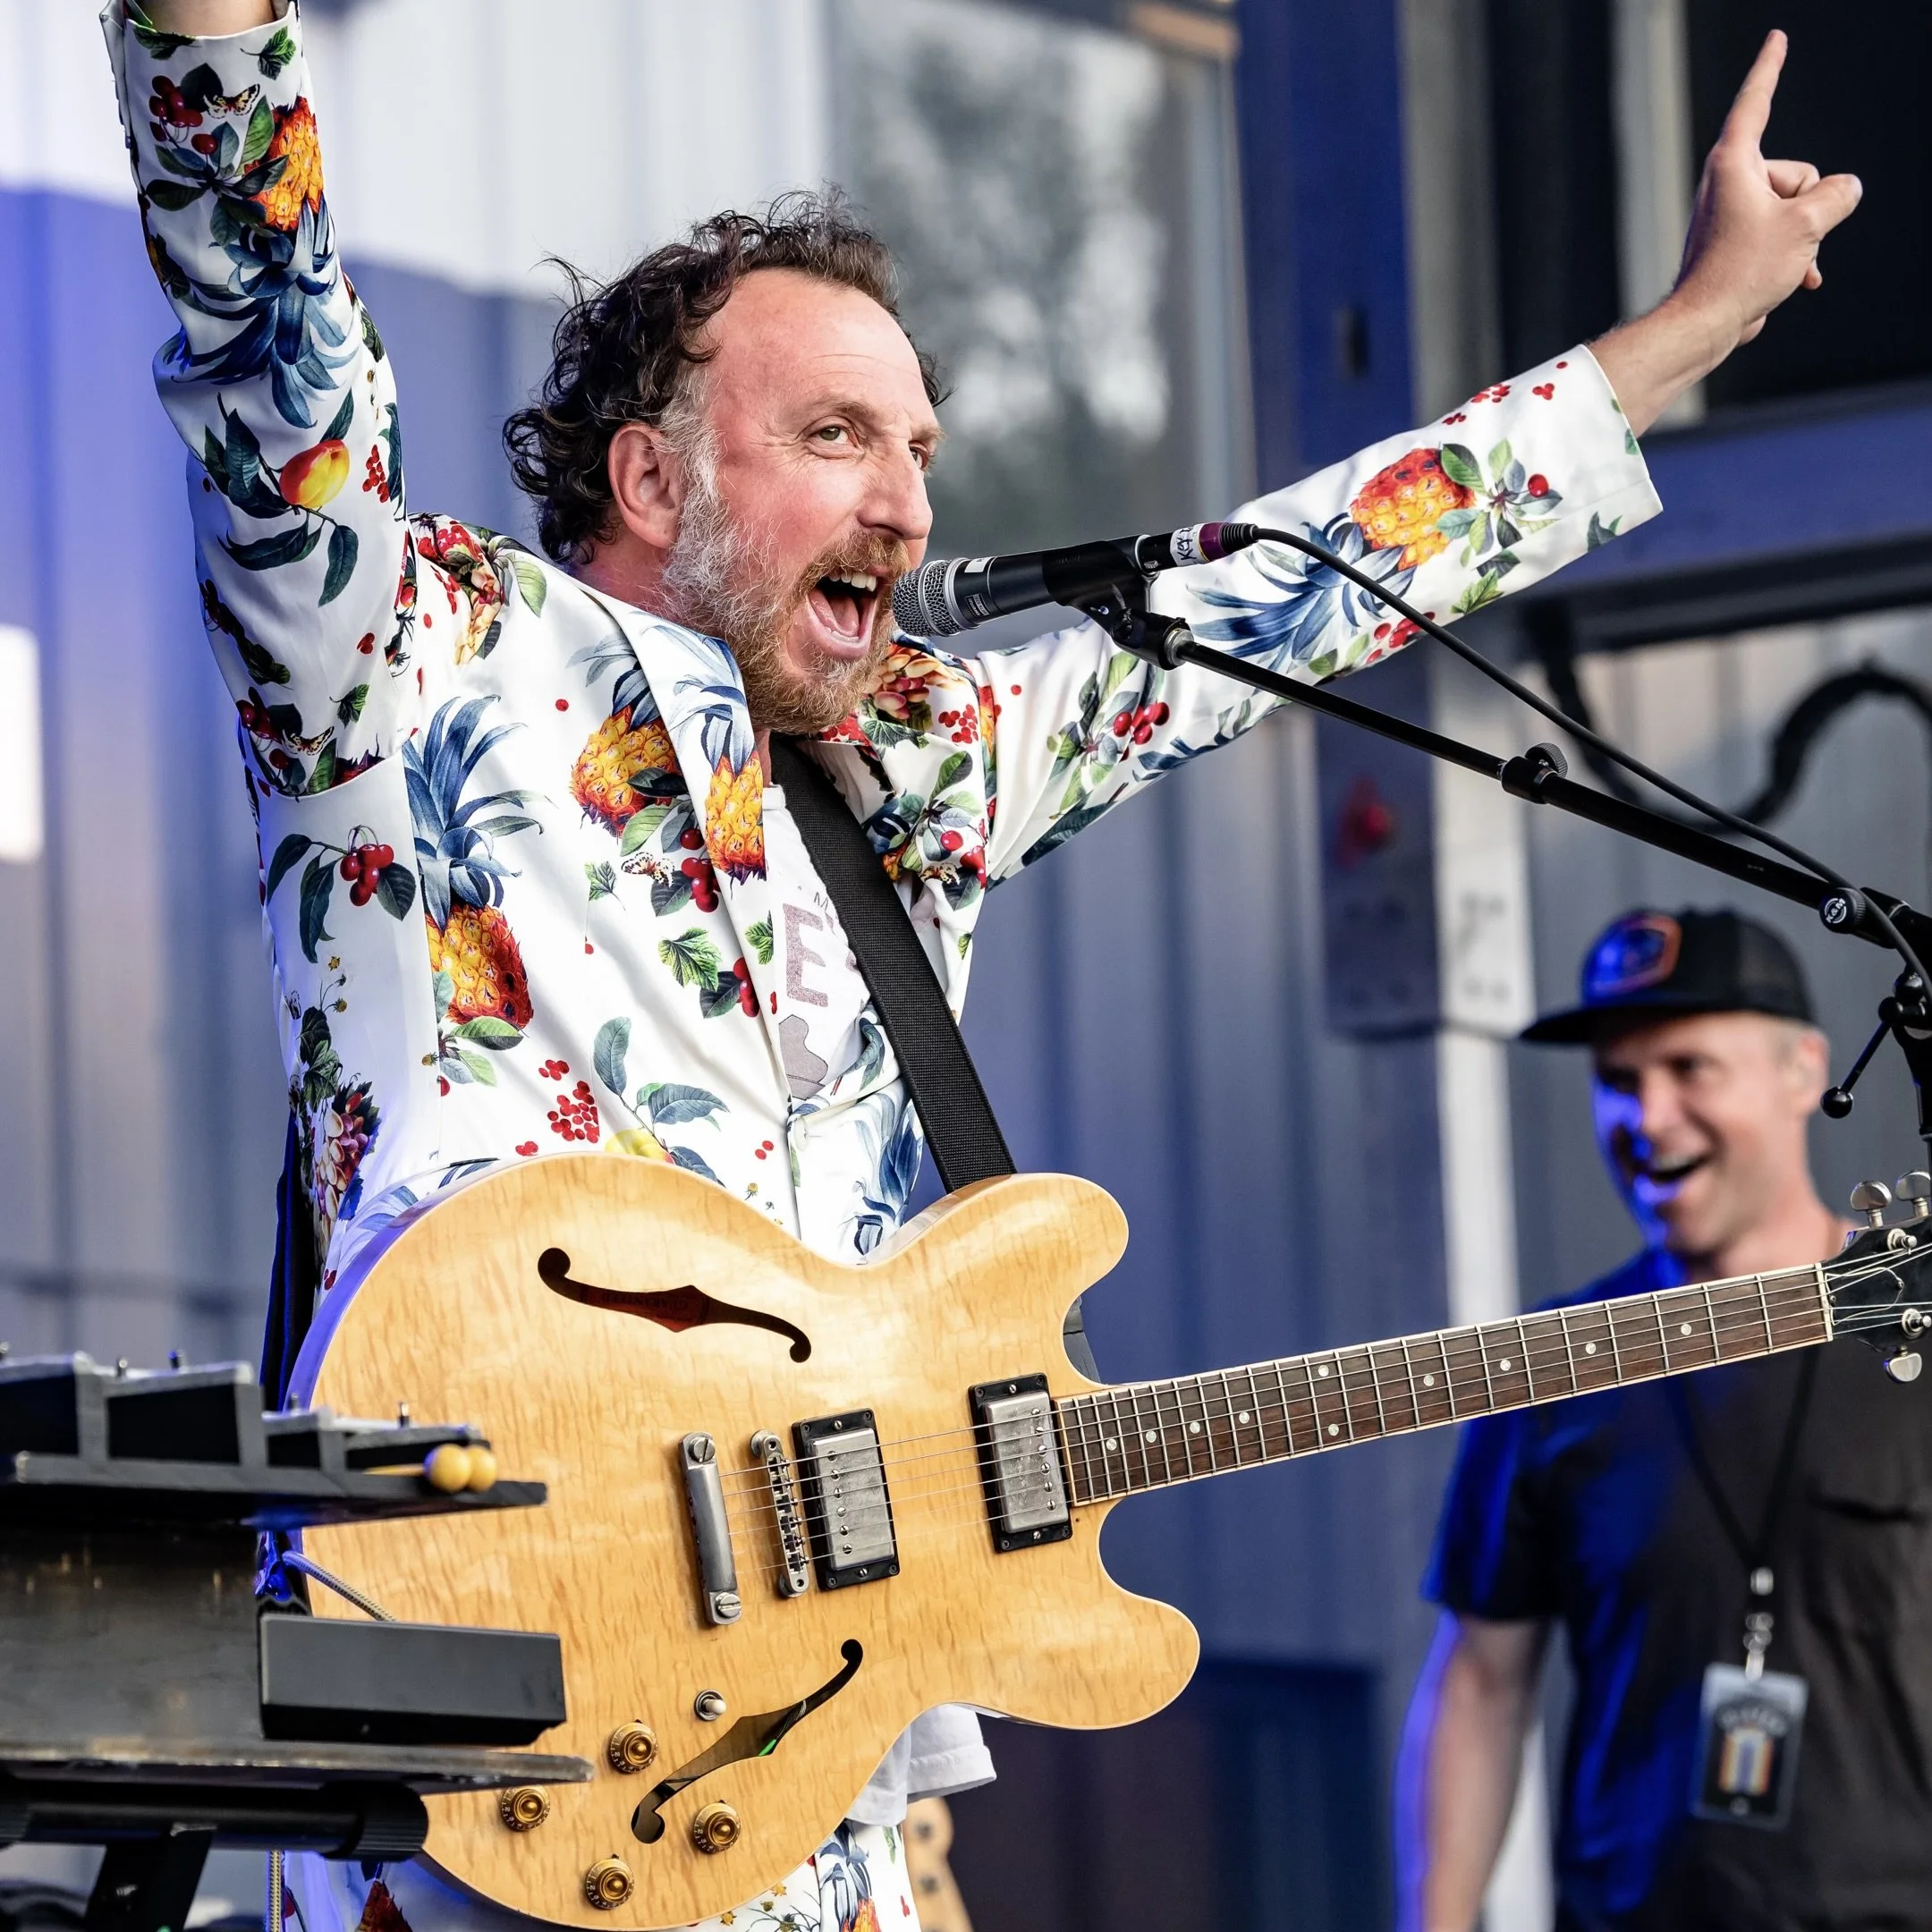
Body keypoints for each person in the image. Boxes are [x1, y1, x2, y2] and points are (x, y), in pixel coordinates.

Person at [101, 0, 1856, 1921]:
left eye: (921, 446)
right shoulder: (408, 654)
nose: (912, 503)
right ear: (653, 480)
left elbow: (1295, 572)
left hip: (800, 1760)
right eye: (837, 435)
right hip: (474, 1728)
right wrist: (214, 33)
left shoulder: (922, 760)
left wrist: (1684, 332)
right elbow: (264, 340)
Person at [1400, 908, 1932, 1931]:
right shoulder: (1550, 1360)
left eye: (1690, 1067)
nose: (1647, 1116)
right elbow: (1481, 1684)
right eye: (1618, 1080)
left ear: (1802, 1071)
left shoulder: (1916, 1317)